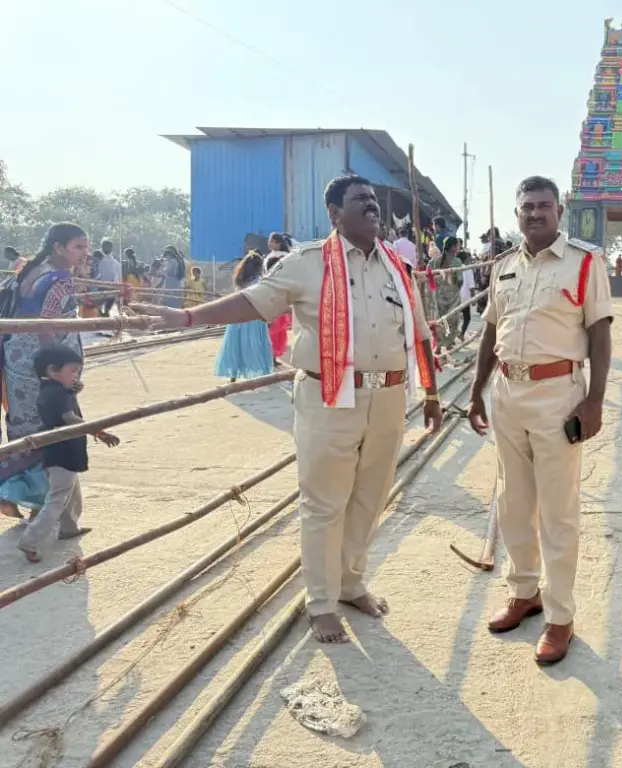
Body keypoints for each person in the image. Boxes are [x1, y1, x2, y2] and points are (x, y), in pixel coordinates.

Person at [132, 174, 444, 645]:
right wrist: (191, 316)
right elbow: (254, 303)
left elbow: (420, 333)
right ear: (335, 214)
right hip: (328, 397)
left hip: (389, 398)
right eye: (361, 200)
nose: (373, 207)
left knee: (371, 496)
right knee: (324, 501)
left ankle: (351, 582)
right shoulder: (307, 263)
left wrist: (434, 395)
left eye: (374, 201)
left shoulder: (397, 268)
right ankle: (320, 602)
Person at [468, 176, 613, 666]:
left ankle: (560, 616)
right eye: (527, 206)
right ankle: (524, 591)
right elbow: (491, 332)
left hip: (558, 396)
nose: (535, 214)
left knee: (558, 511)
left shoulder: (585, 263)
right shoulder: (504, 266)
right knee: (513, 502)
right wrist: (476, 393)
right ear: (517, 213)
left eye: (544, 206)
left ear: (560, 210)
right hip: (508, 392)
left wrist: (594, 401)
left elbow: (599, 334)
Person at [0, 223, 89, 520]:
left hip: (15, 358)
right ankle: (26, 498)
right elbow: (46, 327)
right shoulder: (60, 280)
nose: (84, 253)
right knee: (47, 431)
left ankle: (11, 492)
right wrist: (58, 372)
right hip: (39, 364)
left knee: (21, 428)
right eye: (78, 247)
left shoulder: (29, 270)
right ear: (59, 248)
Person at [18, 345, 119, 562]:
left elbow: (61, 403)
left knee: (72, 495)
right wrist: (99, 431)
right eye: (72, 371)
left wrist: (72, 391)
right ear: (53, 370)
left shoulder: (50, 390)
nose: (75, 375)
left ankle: (69, 528)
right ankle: (30, 540)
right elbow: (69, 418)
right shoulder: (57, 393)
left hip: (60, 452)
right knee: (58, 498)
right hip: (63, 453)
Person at [213, 252, 274, 383]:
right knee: (256, 346)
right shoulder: (259, 281)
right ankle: (262, 375)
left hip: (237, 316)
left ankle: (233, 375)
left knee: (236, 346)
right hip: (254, 316)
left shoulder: (239, 279)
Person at [427, 236, 464, 352]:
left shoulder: (434, 261)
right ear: (453, 247)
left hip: (438, 295)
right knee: (451, 320)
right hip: (452, 295)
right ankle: (448, 343)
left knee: (439, 320)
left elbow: (428, 274)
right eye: (457, 245)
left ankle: (438, 346)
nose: (458, 247)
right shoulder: (457, 261)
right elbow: (460, 280)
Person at [265, 233, 294, 363]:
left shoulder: (276, 257)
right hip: (283, 296)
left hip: (273, 294)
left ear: (276, 242)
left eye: (270, 241)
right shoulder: (287, 256)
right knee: (279, 330)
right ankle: (274, 356)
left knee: (273, 329)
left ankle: (271, 356)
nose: (268, 243)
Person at [95, 239, 120, 316]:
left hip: (111, 284)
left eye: (110, 247)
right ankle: (99, 312)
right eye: (107, 246)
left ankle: (106, 312)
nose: (109, 248)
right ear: (102, 246)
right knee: (98, 299)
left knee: (111, 298)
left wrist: (116, 282)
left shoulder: (112, 258)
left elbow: (115, 271)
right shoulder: (97, 255)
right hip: (99, 283)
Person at [457, 249, 475, 341]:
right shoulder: (468, 269)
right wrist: (473, 299)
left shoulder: (454, 267)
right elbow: (471, 286)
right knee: (467, 318)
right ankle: (461, 334)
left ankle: (451, 336)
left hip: (455, 297)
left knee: (453, 318)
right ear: (466, 259)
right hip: (465, 298)